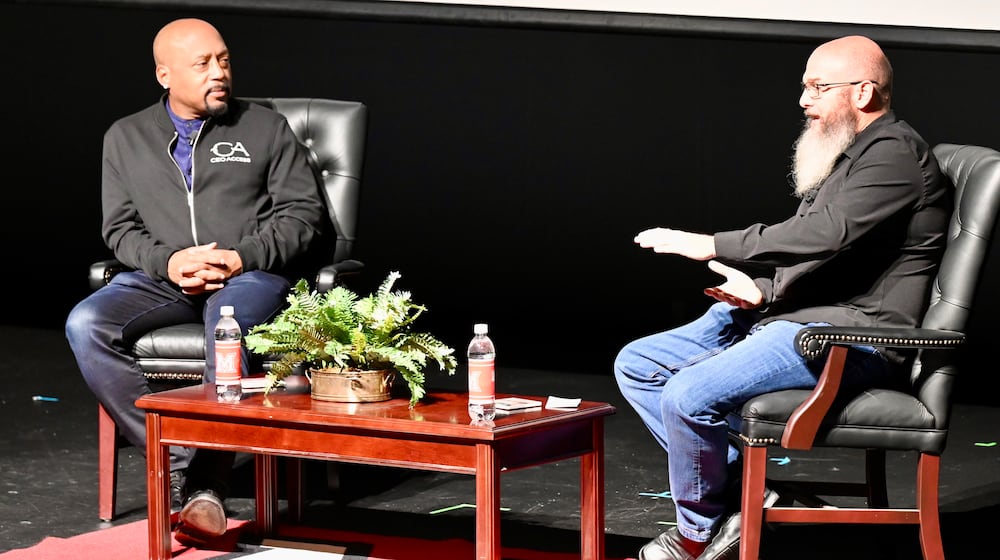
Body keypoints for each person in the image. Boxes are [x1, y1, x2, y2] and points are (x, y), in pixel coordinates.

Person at [614, 35, 951, 560]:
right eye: (805, 87)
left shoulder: (894, 155)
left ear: (863, 92)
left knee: (687, 394)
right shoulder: (852, 154)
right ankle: (745, 499)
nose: (803, 100)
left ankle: (698, 534)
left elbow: (824, 236)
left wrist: (712, 244)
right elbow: (838, 254)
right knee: (639, 364)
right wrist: (764, 290)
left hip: (848, 338)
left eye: (818, 87)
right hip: (796, 317)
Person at [65, 18, 331, 541]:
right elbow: (120, 229)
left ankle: (207, 481)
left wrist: (239, 257)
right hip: (163, 277)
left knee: (225, 324)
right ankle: (179, 465)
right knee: (85, 323)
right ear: (165, 75)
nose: (219, 73)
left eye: (224, 61)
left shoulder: (265, 127)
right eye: (203, 64)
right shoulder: (126, 136)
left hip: (249, 275)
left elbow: (303, 216)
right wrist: (169, 263)